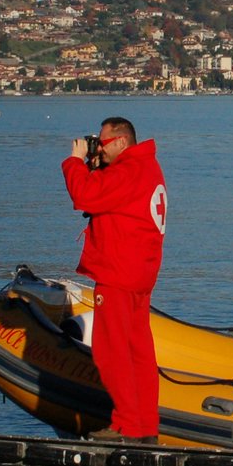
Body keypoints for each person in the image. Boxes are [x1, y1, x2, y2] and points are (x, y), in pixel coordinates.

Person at [63, 117, 168, 444]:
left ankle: (126, 424)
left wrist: (74, 163)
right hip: (140, 273)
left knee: (113, 351)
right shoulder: (146, 168)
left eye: (103, 143)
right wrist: (98, 166)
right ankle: (145, 425)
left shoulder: (128, 171)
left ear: (121, 142)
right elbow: (111, 197)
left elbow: (86, 196)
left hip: (118, 273)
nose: (99, 148)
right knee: (139, 350)